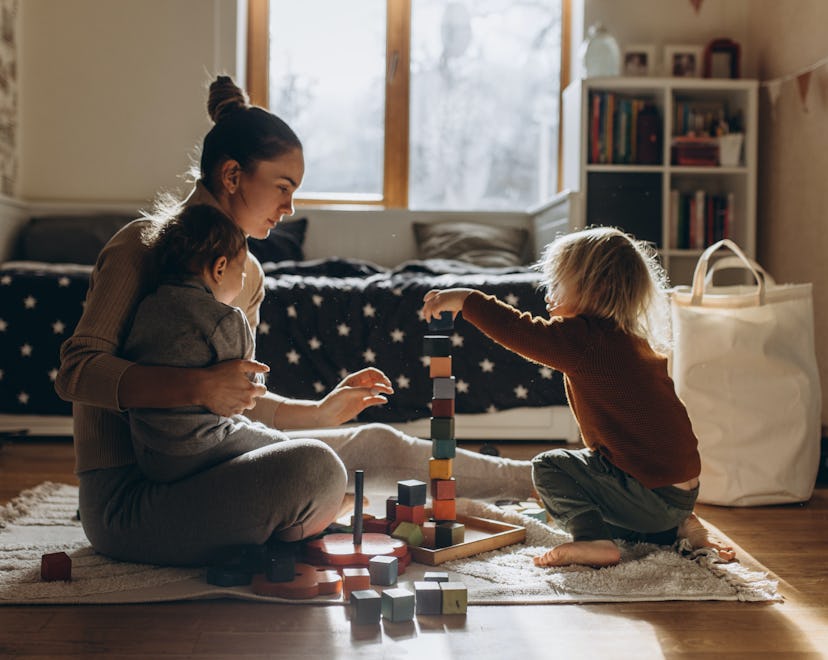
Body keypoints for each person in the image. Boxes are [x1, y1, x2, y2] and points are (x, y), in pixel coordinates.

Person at [55, 75, 533, 567]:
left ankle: (537, 480)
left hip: (211, 464)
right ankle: (298, 520)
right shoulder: (140, 245)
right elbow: (77, 371)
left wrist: (320, 412)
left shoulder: (250, 274)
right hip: (130, 500)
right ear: (233, 175)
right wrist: (197, 387)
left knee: (371, 442)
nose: (289, 208)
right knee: (314, 470)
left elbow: (235, 401)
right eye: (283, 188)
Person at [422, 226, 735, 568]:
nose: (547, 294)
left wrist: (467, 299)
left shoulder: (585, 338)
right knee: (594, 493)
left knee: (550, 467)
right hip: (680, 493)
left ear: (595, 288)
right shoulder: (628, 338)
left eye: (557, 285)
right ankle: (676, 527)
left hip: (651, 492)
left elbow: (519, 330)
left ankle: (593, 541)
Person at [123, 204, 278, 483]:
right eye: (241, 272)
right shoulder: (225, 318)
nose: (243, 281)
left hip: (149, 452)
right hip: (201, 445)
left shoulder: (146, 306)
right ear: (219, 268)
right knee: (285, 448)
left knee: (244, 429)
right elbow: (247, 387)